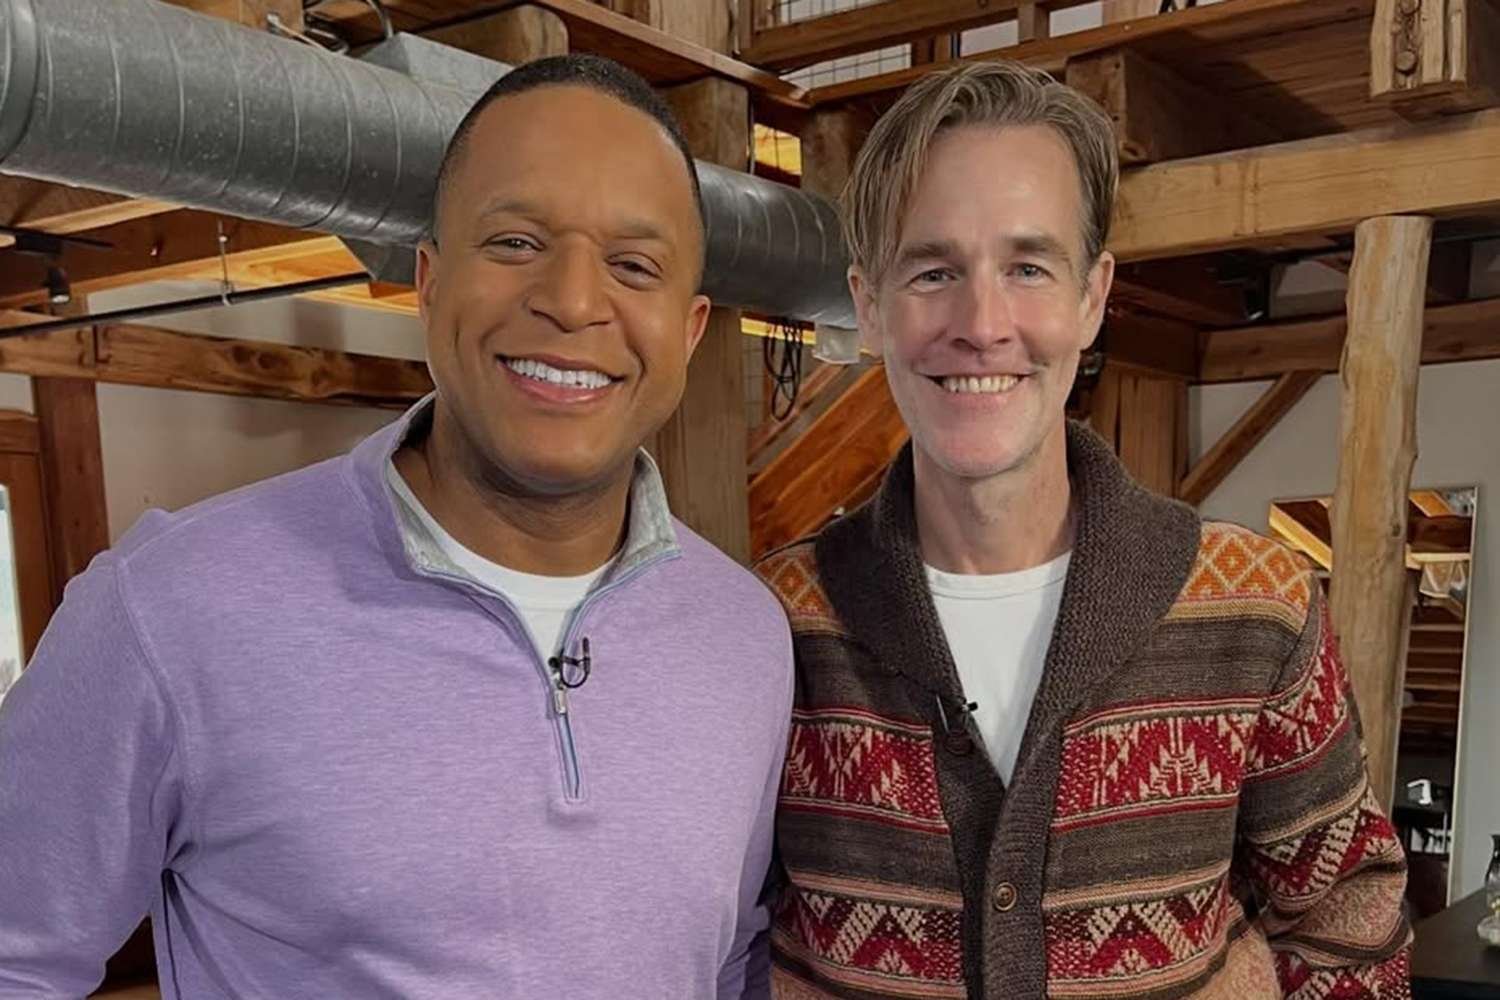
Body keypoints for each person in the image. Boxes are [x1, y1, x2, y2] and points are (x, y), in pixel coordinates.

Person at [0, 54, 791, 999]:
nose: (574, 301)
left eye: (633, 265)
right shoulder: (170, 609)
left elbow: (733, 959)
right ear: (428, 281)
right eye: (515, 242)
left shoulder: (746, 637)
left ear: (690, 329)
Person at [756, 60, 1411, 999]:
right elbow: (717, 931)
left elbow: (1349, 915)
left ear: (1093, 297)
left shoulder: (1255, 608)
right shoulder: (773, 623)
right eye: (933, 271)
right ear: (868, 305)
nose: (982, 324)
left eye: (1028, 267)